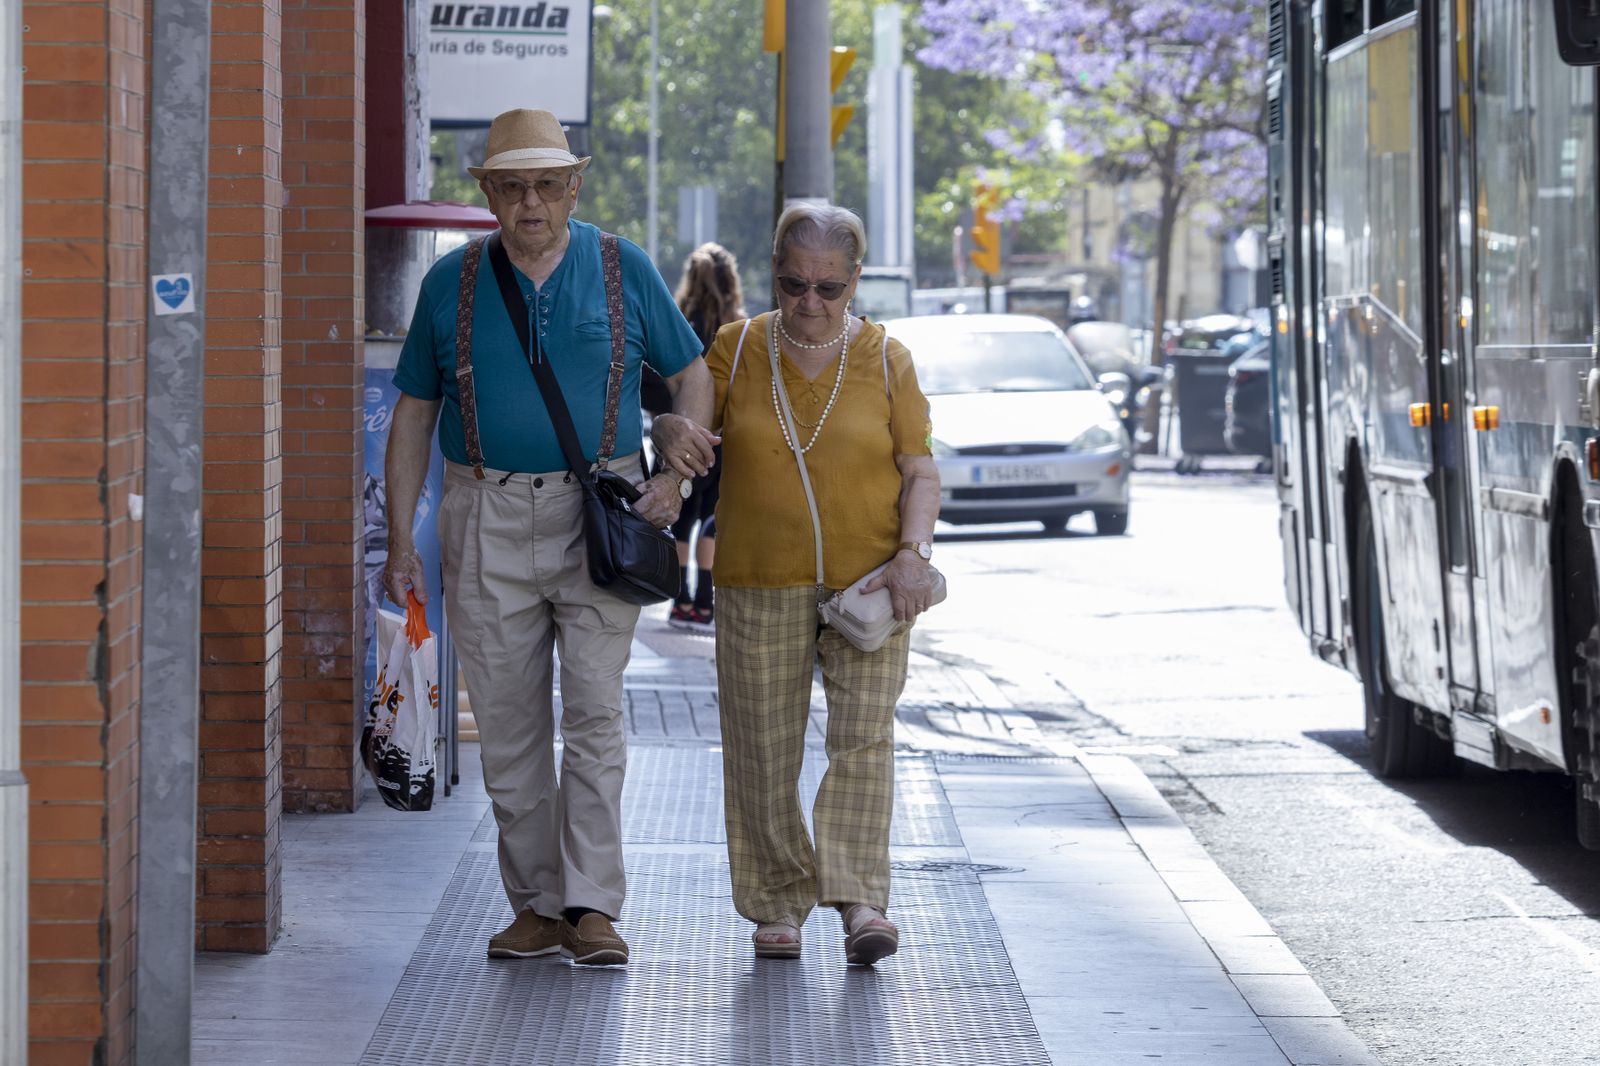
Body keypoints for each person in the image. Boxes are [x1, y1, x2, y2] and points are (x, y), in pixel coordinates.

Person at [383, 108, 716, 968]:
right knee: (508, 723)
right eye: (511, 185)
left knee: (597, 715)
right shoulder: (449, 284)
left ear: (575, 186)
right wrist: (397, 539)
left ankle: (593, 905)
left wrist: (674, 478)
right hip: (481, 511)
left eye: (545, 183)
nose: (529, 202)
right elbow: (415, 412)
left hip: (595, 512)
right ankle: (536, 905)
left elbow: (692, 375)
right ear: (488, 193)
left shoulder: (621, 268)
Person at [703, 203, 941, 965]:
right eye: (793, 283)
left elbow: (920, 469)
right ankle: (777, 900)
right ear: (774, 271)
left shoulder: (887, 358)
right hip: (753, 575)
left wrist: (915, 552)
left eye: (829, 288)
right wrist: (670, 462)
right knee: (761, 747)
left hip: (872, 583)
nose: (810, 302)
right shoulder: (735, 349)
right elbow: (693, 435)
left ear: (856, 282)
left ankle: (860, 899)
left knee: (863, 740)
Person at [664, 243, 745, 631]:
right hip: (724, 441)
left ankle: (680, 601)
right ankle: (704, 602)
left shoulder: (678, 323)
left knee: (683, 519)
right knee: (713, 518)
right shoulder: (739, 328)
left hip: (682, 434)